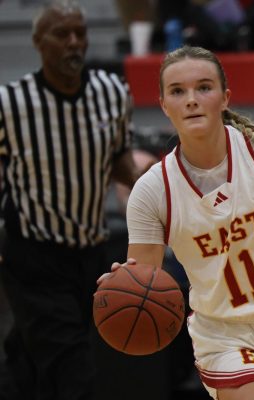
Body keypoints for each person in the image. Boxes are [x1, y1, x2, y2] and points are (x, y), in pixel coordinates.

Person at [98, 45, 254, 400]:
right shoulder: (152, 191)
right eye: (177, 91)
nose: (191, 100)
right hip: (226, 333)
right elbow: (146, 279)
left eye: (203, 87)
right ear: (163, 105)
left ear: (225, 98)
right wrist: (124, 281)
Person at [0, 1, 143, 399]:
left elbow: (119, 161)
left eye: (80, 32)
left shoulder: (112, 93)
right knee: (72, 365)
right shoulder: (9, 104)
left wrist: (150, 186)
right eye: (62, 34)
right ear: (38, 42)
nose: (75, 42)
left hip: (90, 252)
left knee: (30, 355)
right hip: (34, 254)